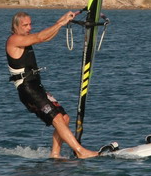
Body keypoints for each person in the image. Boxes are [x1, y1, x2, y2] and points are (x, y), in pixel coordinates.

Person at [6, 11, 99, 159]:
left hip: (37, 86)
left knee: (64, 118)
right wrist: (60, 23)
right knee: (56, 119)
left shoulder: (24, 38)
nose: (29, 27)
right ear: (16, 26)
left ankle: (55, 154)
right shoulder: (14, 39)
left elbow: (46, 37)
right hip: (27, 89)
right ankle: (81, 151)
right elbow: (40, 37)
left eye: (30, 24)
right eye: (25, 25)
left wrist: (62, 21)